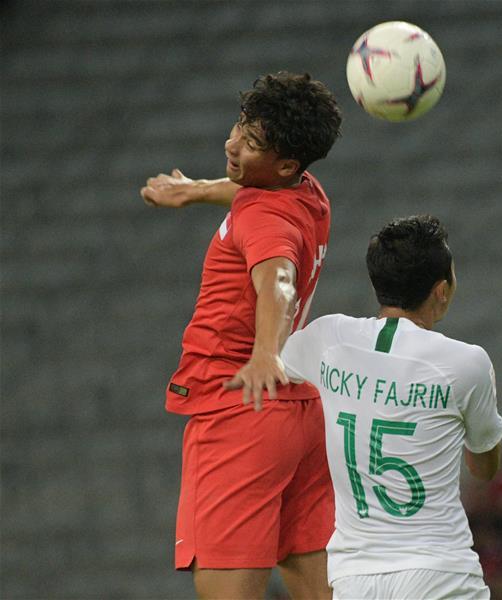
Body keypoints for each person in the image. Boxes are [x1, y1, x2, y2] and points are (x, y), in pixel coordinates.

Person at [140, 71, 342, 599]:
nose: (231, 143)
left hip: (239, 407)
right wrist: (197, 190)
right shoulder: (307, 194)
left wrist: (264, 352)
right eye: (240, 127)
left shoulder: (266, 218)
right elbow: (247, 194)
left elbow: (277, 278)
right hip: (298, 414)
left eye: (251, 143)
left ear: (286, 164)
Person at [237, 215, 502, 599]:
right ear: (442, 290)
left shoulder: (328, 338)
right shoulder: (467, 362)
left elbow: (268, 360)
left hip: (355, 579)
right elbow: (483, 466)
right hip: (439, 574)